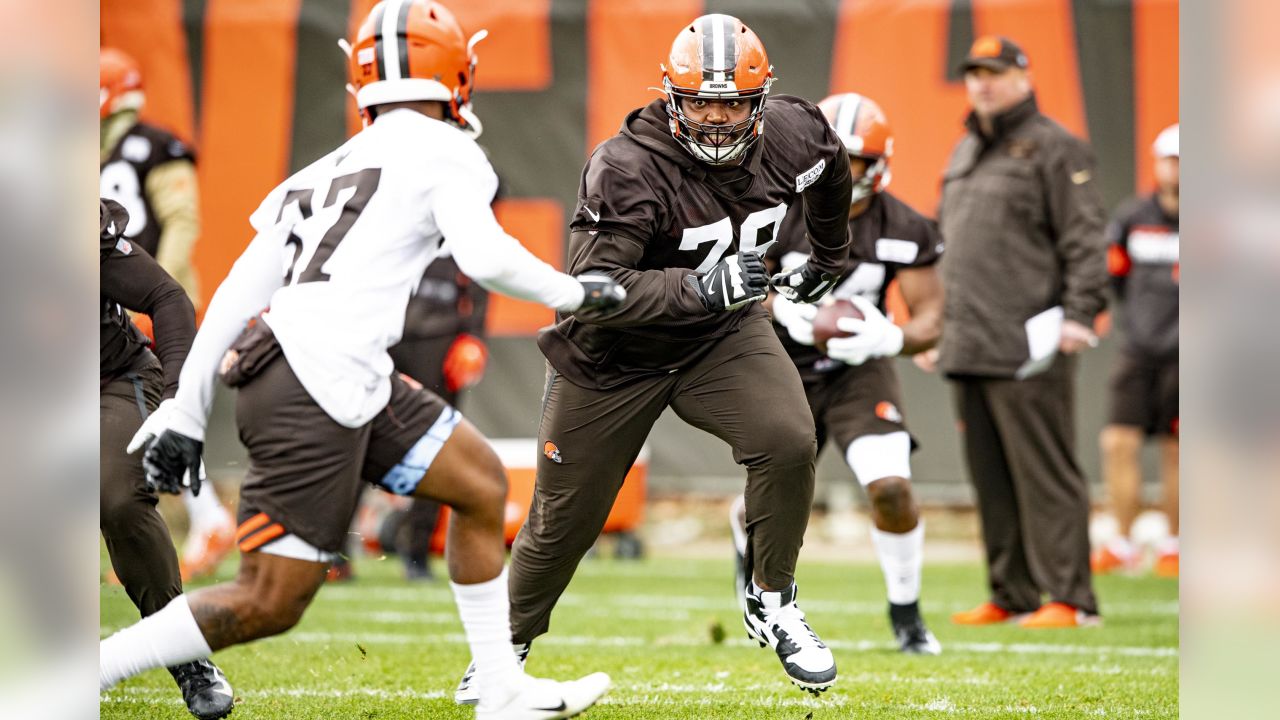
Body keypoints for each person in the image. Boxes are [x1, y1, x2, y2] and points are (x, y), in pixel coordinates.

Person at [99, 3, 624, 718]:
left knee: (477, 483)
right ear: (455, 71)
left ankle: (501, 689)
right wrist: (575, 291)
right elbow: (486, 256)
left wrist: (189, 409)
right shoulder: (447, 149)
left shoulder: (323, 169)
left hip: (328, 370)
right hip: (316, 381)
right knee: (269, 599)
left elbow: (231, 293)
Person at [455, 13, 853, 701]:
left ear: (759, 103)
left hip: (718, 337)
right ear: (673, 97)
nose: (719, 118)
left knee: (788, 440)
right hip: (613, 355)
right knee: (564, 522)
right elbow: (593, 291)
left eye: (733, 102)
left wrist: (829, 254)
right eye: (703, 100)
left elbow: (831, 169)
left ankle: (773, 599)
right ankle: (502, 653)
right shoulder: (627, 167)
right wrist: (702, 284)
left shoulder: (795, 131)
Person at [729, 92, 944, 655]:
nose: (848, 174)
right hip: (782, 362)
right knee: (767, 500)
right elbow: (737, 285)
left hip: (858, 370)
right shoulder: (774, 208)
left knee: (892, 486)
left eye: (860, 162)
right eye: (839, 160)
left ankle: (907, 613)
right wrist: (785, 310)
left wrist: (891, 336)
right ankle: (751, 565)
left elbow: (932, 318)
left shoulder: (904, 226)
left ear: (881, 163)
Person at [934, 36, 1108, 629]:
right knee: (992, 478)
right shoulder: (964, 150)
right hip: (969, 342)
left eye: (995, 72)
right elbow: (949, 249)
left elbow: (1085, 240)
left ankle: (1071, 598)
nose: (982, 83)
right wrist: (937, 328)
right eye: (974, 72)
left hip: (1031, 342)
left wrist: (1080, 316)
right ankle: (1012, 594)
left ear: (1023, 78)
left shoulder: (1056, 148)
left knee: (1045, 472)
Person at [100, 46, 236, 580]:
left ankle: (208, 518)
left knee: (163, 410)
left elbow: (182, 218)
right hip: (115, 298)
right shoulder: (95, 150)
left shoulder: (154, 146)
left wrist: (165, 282)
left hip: (149, 292)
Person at [99, 198, 234, 720]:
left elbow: (166, 297)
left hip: (107, 377)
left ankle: (187, 657)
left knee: (118, 499)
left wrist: (179, 398)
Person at [1095, 124, 1179, 577]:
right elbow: (1117, 276)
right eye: (1171, 160)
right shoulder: (1133, 217)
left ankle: (1175, 545)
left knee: (1180, 450)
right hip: (1139, 349)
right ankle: (1123, 543)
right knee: (1118, 442)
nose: (1178, 170)